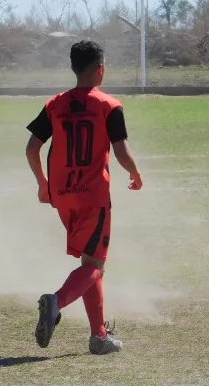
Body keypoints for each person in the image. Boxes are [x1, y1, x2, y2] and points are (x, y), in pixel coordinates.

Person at [26, 40, 143, 355]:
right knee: (96, 265)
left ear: (74, 68)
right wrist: (136, 172)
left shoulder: (55, 104)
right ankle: (56, 302)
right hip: (93, 195)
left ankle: (98, 336)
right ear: (101, 69)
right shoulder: (108, 105)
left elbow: (32, 147)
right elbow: (121, 151)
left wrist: (42, 184)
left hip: (63, 196)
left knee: (90, 262)